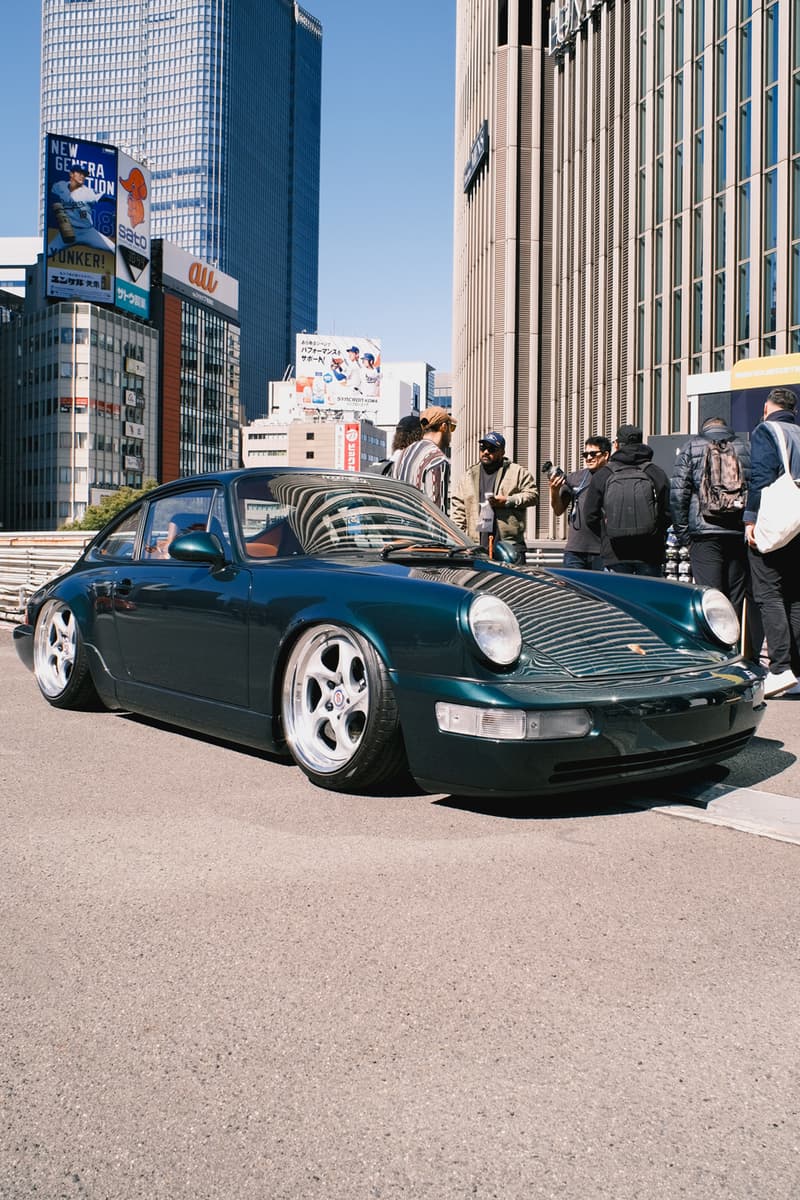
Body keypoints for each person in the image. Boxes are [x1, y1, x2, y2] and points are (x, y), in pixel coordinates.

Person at [743, 387, 800, 698]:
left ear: (767, 407)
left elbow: (761, 477)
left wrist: (750, 519)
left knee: (769, 593)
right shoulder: (798, 433)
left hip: (776, 521)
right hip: (798, 525)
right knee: (795, 595)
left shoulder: (767, 431)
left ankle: (780, 668)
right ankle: (796, 669)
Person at [670, 417, 751, 613]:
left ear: (704, 429)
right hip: (737, 531)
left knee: (710, 596)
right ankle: (735, 642)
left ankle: (714, 643)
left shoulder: (691, 447)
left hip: (703, 532)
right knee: (735, 596)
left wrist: (684, 537)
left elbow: (678, 495)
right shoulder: (744, 447)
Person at [583, 424, 670, 575]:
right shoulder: (655, 472)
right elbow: (668, 512)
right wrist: (655, 531)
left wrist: (607, 533)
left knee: (616, 597)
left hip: (615, 553)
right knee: (649, 598)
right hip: (650, 552)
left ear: (616, 445)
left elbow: (590, 515)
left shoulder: (604, 474)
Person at [451, 431, 538, 560]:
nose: (486, 451)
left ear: (502, 452)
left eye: (491, 449)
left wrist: (508, 501)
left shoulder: (516, 472)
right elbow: (458, 511)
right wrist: (461, 543)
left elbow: (533, 495)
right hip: (476, 547)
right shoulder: (469, 476)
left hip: (509, 546)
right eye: (483, 448)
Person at [548, 436, 612, 569]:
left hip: (603, 550)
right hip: (575, 550)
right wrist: (554, 491)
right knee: (571, 589)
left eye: (593, 454)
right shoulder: (575, 478)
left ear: (606, 455)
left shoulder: (614, 478)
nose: (588, 458)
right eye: (585, 454)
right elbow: (558, 510)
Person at [393, 405, 455, 512]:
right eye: (451, 428)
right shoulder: (438, 459)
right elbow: (437, 511)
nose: (451, 434)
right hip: (420, 527)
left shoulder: (404, 454)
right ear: (444, 427)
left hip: (400, 524)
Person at [48, 165, 114, 256]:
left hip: (88, 232)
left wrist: (119, 203)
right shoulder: (60, 186)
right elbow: (49, 186)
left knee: (114, 248)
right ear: (71, 174)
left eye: (84, 174)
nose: (82, 176)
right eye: (79, 173)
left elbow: (104, 197)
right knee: (47, 252)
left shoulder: (87, 192)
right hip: (69, 231)